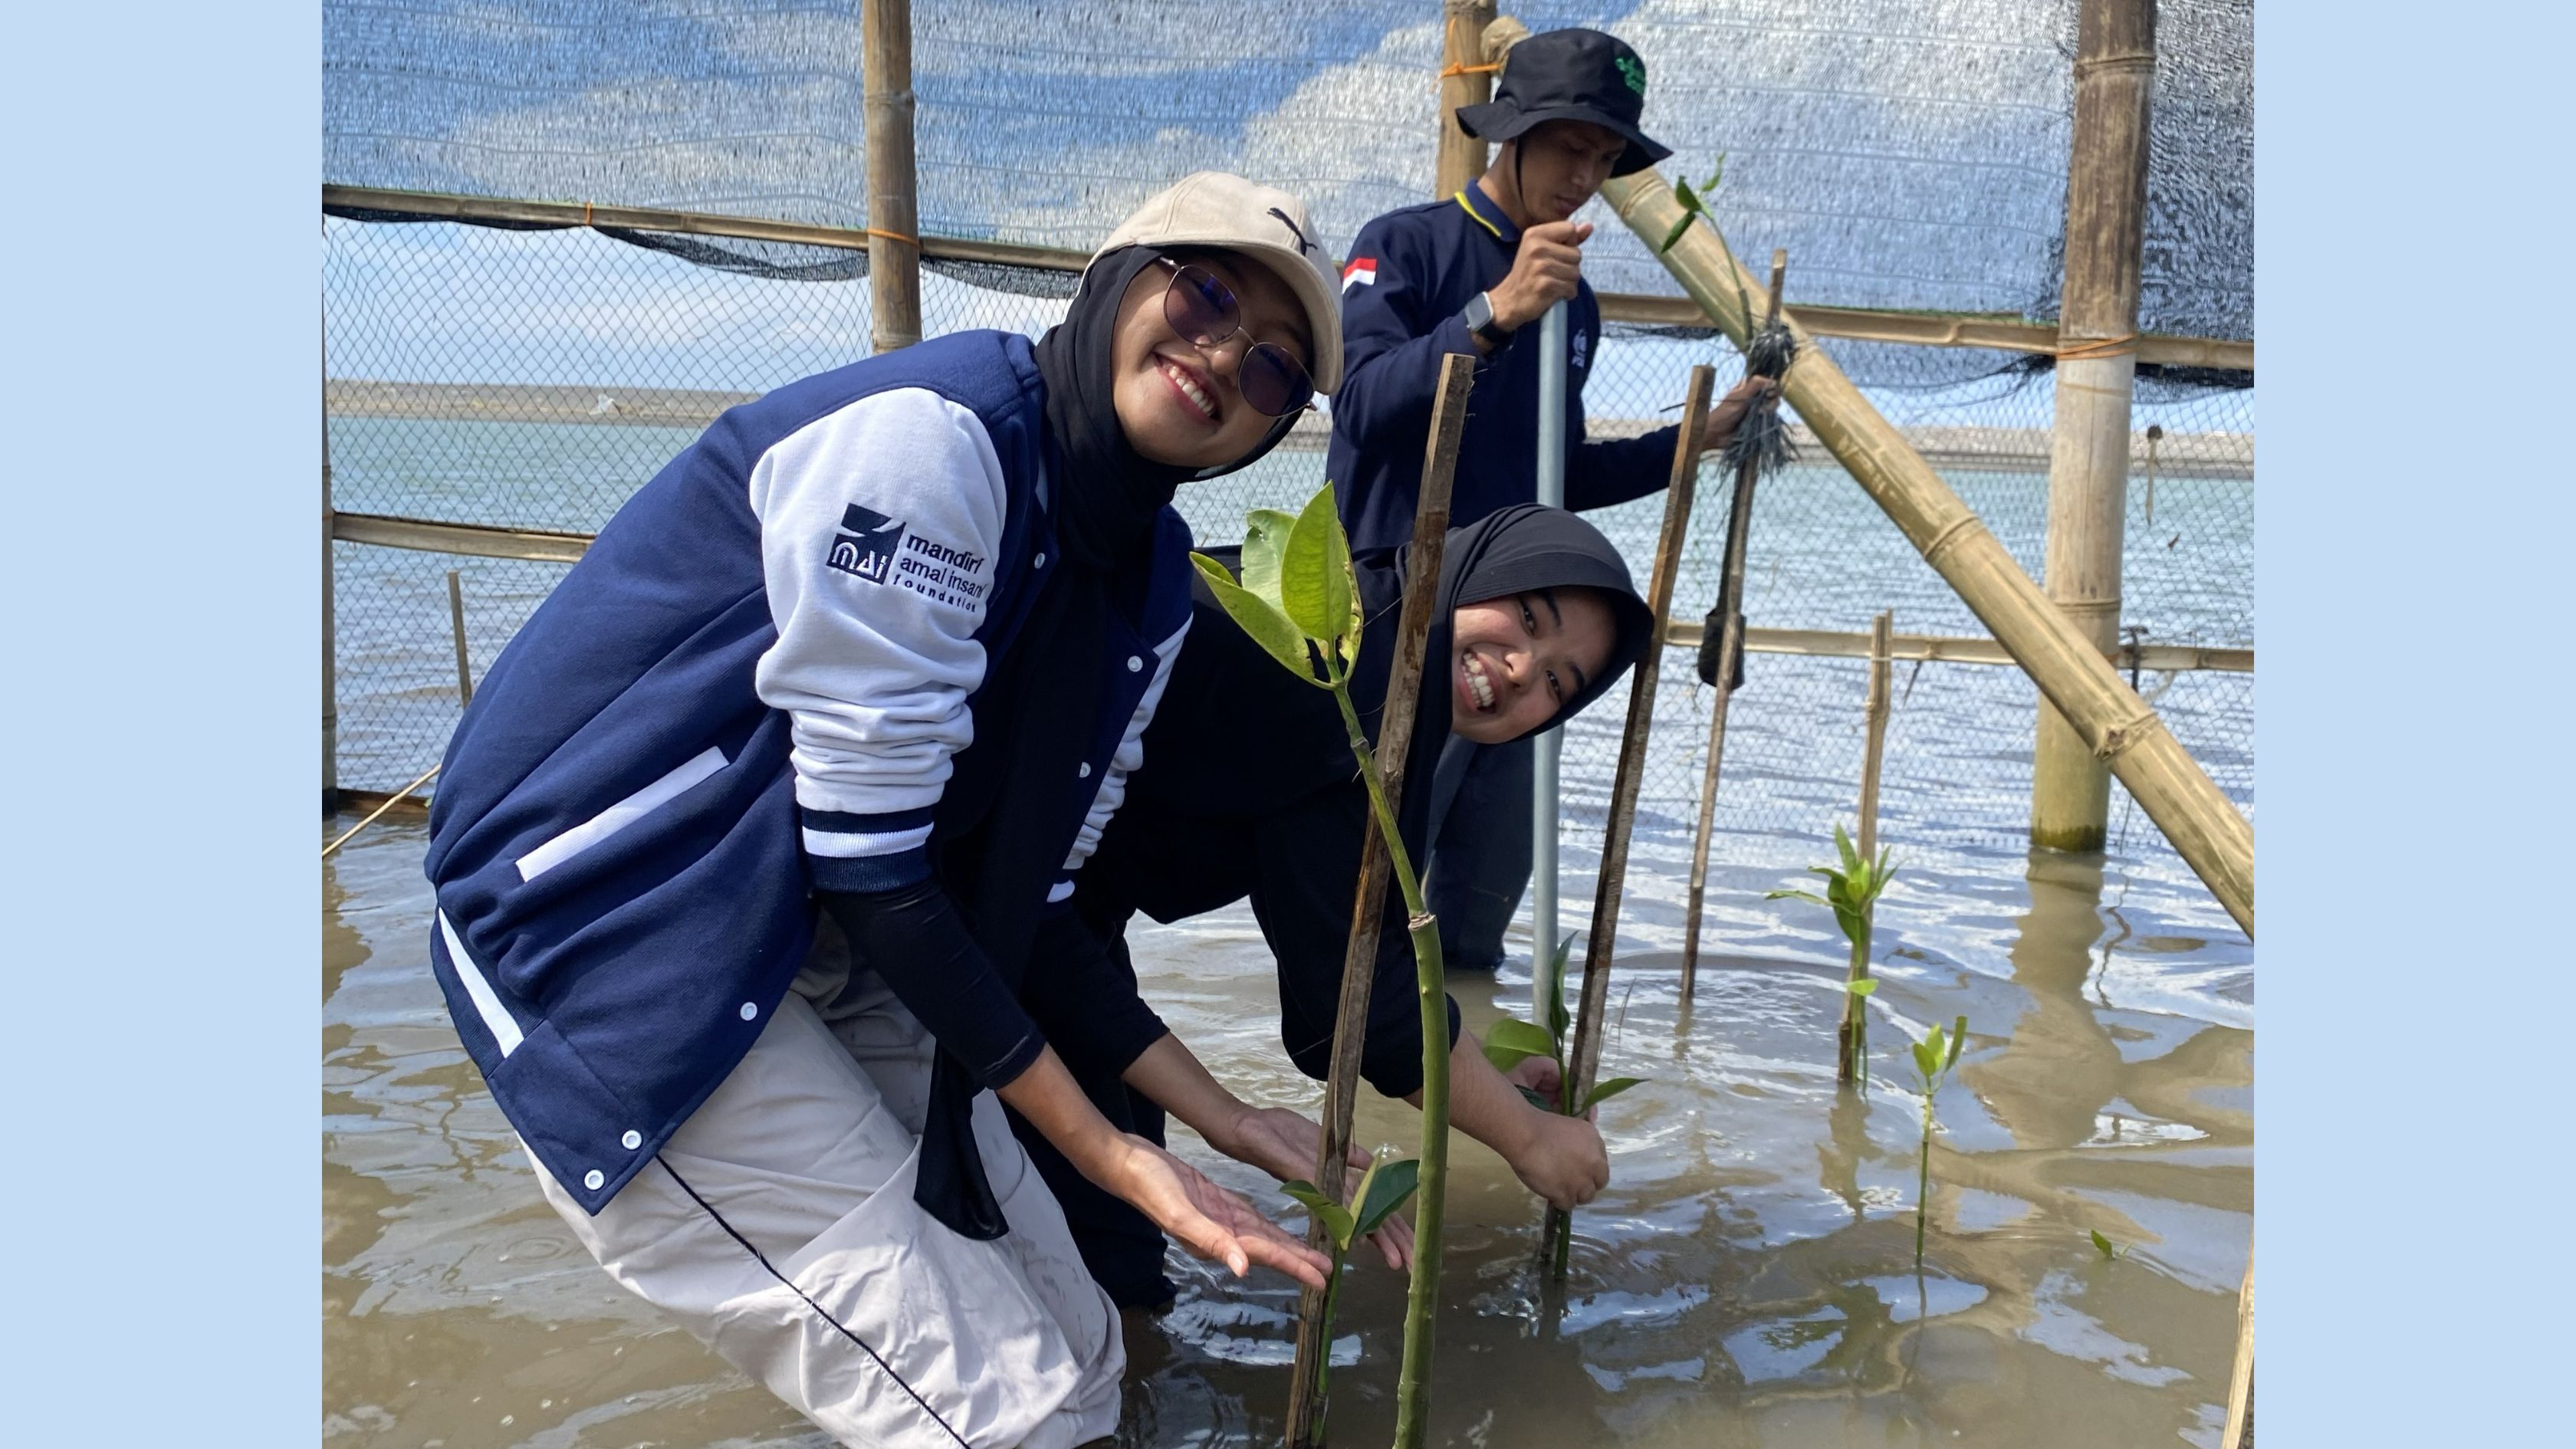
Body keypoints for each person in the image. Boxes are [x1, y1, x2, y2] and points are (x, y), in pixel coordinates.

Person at [420, 172, 1360, 1448]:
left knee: (1081, 1350)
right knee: (1016, 1416)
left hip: (831, 941)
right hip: (627, 935)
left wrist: (1227, 1119)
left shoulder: (1143, 588)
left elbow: (1040, 912)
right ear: (1114, 274)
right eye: (1204, 291)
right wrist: (1111, 1153)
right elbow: (870, 862)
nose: (1219, 353)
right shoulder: (939, 444)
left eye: (1268, 372)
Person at [1030, 504, 1657, 1306]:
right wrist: (1527, 1138)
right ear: (1475, 570)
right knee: (1095, 1261)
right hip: (992, 897)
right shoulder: (1349, 675)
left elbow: (1344, 938)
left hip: (1057, 912)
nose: (1521, 669)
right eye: (1528, 617)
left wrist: (1492, 1082)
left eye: (1559, 683)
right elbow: (1352, 1009)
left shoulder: (1381, 639)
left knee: (1120, 1235)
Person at [1326, 26, 1776, 974]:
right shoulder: (1402, 247)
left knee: (1472, 941)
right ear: (1513, 134)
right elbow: (1362, 406)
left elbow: (1556, 481)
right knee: (1359, 928)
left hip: (1527, 660)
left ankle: (1469, 1100)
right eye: (1571, 146)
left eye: (1606, 158)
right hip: (1405, 639)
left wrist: (1695, 440)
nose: (1585, 177)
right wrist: (1492, 316)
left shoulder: (1578, 304)